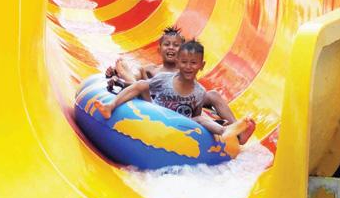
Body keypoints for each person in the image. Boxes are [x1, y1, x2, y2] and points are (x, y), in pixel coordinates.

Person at [93, 40, 255, 147]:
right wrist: (119, 79)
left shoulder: (199, 91)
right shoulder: (159, 75)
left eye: (193, 63)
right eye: (184, 62)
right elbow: (137, 85)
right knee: (142, 84)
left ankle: (226, 131)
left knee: (200, 118)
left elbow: (197, 116)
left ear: (201, 65)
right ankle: (110, 106)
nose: (188, 67)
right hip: (155, 109)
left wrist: (208, 125)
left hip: (179, 120)